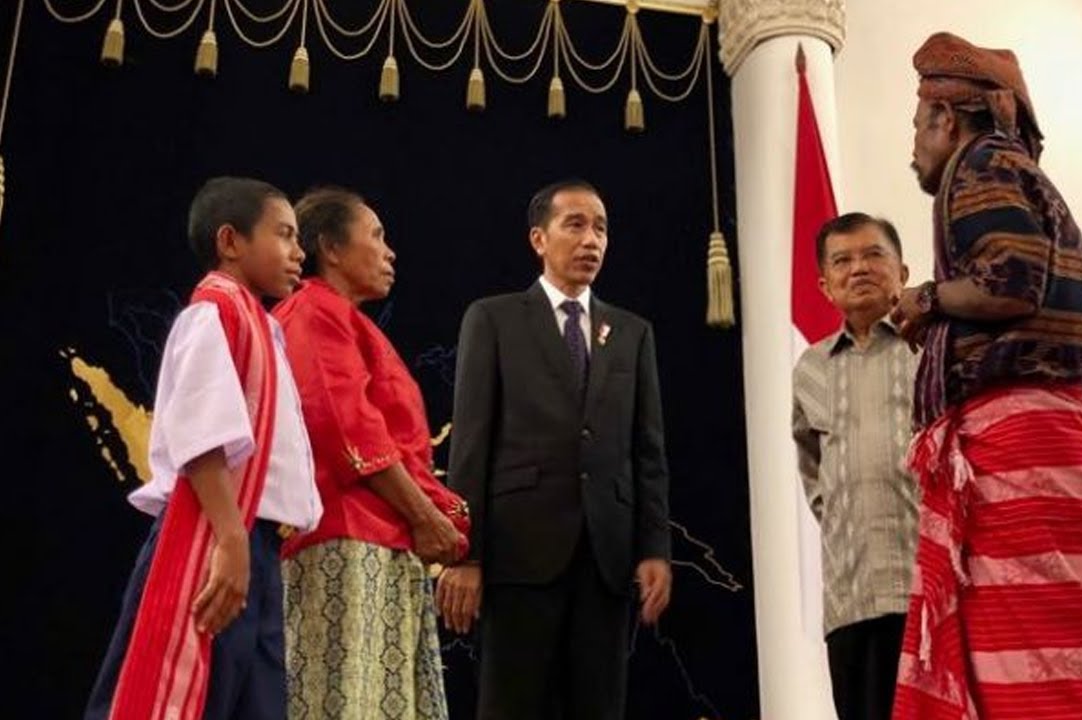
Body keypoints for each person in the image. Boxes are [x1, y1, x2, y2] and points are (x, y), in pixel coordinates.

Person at [887, 32, 1082, 719]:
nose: (912, 144)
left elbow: (1009, 282)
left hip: (1020, 450)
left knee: (1044, 667)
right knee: (1058, 653)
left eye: (917, 125)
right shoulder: (1013, 170)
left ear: (946, 118)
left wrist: (926, 299)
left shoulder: (978, 165)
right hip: (1047, 440)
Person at [85, 176, 321, 720]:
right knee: (184, 696)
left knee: (253, 702)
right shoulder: (213, 314)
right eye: (284, 235)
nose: (298, 253)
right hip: (213, 535)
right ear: (230, 241)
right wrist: (230, 538)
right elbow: (200, 437)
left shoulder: (260, 325)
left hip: (255, 544)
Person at [437, 179, 673, 719]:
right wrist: (466, 554)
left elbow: (648, 453)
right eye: (576, 225)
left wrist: (654, 548)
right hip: (518, 555)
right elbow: (470, 442)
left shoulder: (632, 332)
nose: (591, 240)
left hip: (606, 558)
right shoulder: (493, 319)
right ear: (539, 239)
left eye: (601, 229)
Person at [271, 187, 469, 719]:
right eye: (377, 236)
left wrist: (439, 518)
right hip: (344, 543)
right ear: (331, 249)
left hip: (383, 543)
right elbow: (345, 428)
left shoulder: (345, 320)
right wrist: (425, 516)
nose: (389, 252)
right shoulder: (312, 312)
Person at [793, 213, 919, 720]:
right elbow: (813, 473)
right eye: (842, 261)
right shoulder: (810, 369)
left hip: (926, 591)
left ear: (902, 272)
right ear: (825, 285)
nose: (859, 268)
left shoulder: (932, 349)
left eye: (873, 255)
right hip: (850, 597)